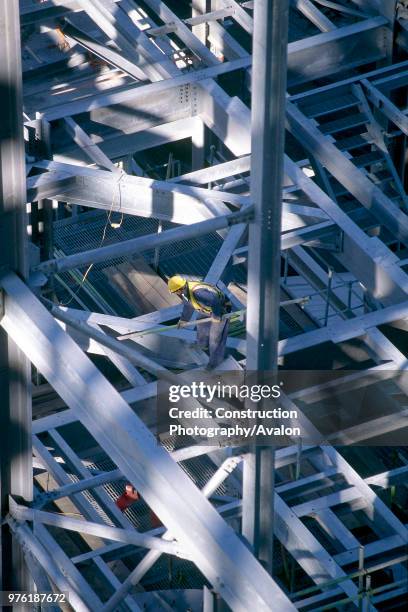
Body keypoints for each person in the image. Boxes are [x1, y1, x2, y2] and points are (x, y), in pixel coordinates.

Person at [168, 275, 231, 369]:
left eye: (175, 292)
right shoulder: (186, 291)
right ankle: (203, 346)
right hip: (207, 309)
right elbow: (188, 306)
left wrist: (216, 316)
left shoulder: (197, 292)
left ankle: (215, 364)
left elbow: (215, 301)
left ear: (179, 289)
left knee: (215, 339)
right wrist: (183, 320)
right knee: (201, 326)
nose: (175, 293)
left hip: (221, 309)